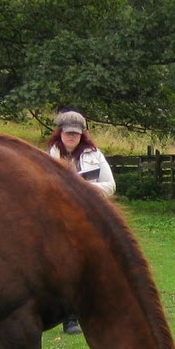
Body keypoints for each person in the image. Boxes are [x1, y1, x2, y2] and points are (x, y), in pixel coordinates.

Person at [44, 109, 116, 334]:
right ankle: (60, 316)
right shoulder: (50, 156)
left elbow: (110, 185)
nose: (71, 137)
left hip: (85, 218)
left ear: (82, 134)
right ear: (60, 133)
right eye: (68, 133)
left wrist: (83, 187)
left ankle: (76, 317)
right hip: (58, 219)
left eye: (75, 134)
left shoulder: (94, 155)